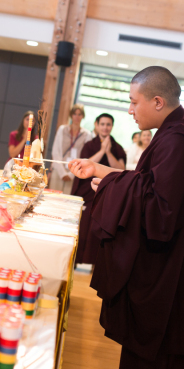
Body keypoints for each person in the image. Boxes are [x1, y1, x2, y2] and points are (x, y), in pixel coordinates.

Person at [69, 67, 184, 369]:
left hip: (174, 287)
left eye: (133, 102)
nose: (129, 110)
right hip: (179, 276)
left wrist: (111, 187)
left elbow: (160, 213)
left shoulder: (178, 142)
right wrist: (102, 173)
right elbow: (149, 185)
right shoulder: (181, 134)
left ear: (158, 101)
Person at [71, 113, 126, 266]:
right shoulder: (89, 145)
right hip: (86, 192)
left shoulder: (117, 147)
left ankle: (95, 264)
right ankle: (74, 261)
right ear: (96, 125)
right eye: (102, 124)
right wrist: (101, 151)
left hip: (106, 194)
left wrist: (108, 152)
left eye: (108, 124)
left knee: (99, 227)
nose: (105, 127)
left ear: (112, 127)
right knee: (81, 226)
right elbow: (83, 165)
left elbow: (121, 169)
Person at [48, 104, 92, 194]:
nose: (77, 117)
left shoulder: (86, 134)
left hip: (75, 172)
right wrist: (62, 173)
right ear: (71, 115)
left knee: (67, 201)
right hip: (58, 170)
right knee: (53, 198)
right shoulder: (62, 129)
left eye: (79, 114)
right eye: (75, 114)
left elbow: (86, 156)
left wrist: (71, 174)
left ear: (83, 116)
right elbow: (55, 152)